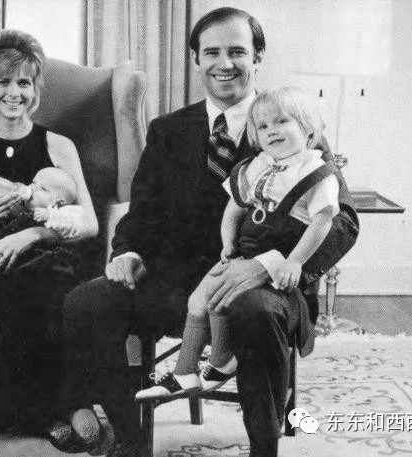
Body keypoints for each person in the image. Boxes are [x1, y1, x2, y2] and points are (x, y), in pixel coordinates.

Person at [58, 7, 359, 457]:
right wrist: (128, 252)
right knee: (86, 303)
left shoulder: (289, 125)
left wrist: (269, 266)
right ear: (196, 59)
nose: (225, 64)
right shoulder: (168, 130)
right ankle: (130, 439)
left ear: (258, 57)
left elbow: (344, 222)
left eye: (237, 51)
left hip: (265, 286)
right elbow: (142, 213)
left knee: (255, 312)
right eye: (212, 52)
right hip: (178, 283)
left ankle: (263, 448)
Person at [136, 87, 340, 401]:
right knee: (198, 300)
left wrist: (295, 261)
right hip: (244, 252)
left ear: (308, 130)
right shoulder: (259, 164)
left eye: (282, 122)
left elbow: (323, 221)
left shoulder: (315, 172)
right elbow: (234, 206)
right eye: (263, 126)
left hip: (277, 259)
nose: (272, 131)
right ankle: (186, 372)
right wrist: (227, 242)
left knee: (225, 300)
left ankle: (220, 363)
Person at [0, 29, 99, 440]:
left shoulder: (59, 146)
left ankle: (51, 411)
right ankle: (43, 414)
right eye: (4, 82)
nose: (14, 93)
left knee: (41, 287)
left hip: (48, 256)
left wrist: (31, 235)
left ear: (36, 89)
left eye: (24, 83)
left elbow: (89, 222)